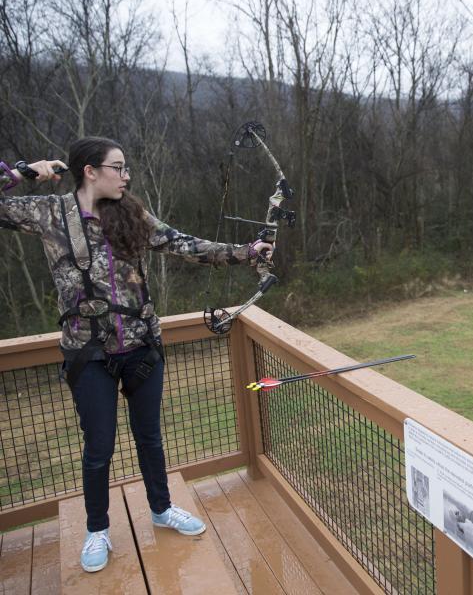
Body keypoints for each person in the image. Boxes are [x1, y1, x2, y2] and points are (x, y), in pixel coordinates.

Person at [0, 138, 273, 573]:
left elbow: (183, 244)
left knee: (149, 437)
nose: (126, 176)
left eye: (126, 168)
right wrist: (25, 173)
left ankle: (162, 510)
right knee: (99, 447)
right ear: (90, 170)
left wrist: (244, 252)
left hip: (142, 346)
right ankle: (97, 530)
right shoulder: (50, 213)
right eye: (118, 167)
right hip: (88, 354)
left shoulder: (132, 214)